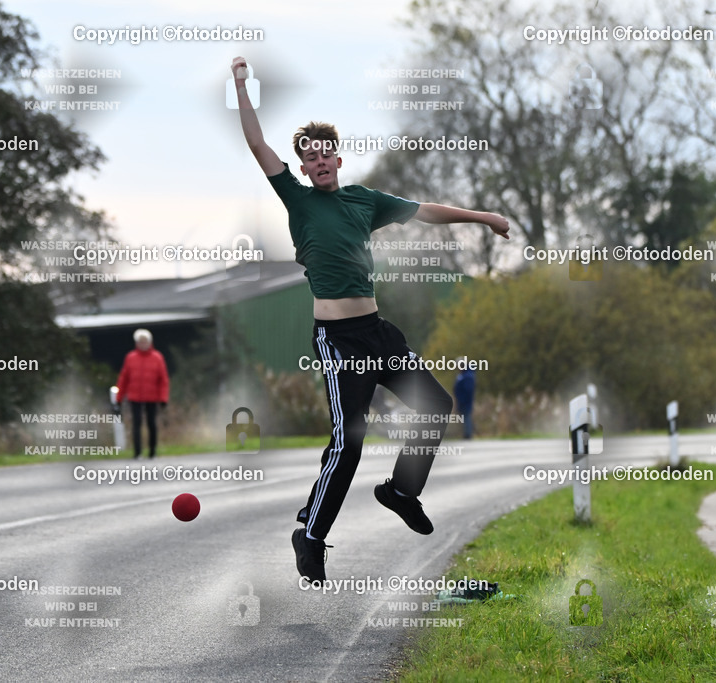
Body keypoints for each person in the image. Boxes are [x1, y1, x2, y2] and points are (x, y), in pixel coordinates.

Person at [231, 56, 511, 585]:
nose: (318, 164)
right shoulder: (297, 198)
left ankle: (401, 491)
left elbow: (425, 210)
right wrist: (242, 87)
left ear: (337, 157)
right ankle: (310, 536)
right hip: (338, 341)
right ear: (304, 166)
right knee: (349, 440)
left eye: (324, 155)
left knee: (437, 405)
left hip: (379, 332)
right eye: (308, 159)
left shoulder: (365, 201)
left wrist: (484, 217)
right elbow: (256, 144)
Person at [116, 329, 169, 459]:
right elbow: (124, 378)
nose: (143, 344)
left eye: (145, 342)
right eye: (140, 342)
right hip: (135, 397)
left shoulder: (157, 357)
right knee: (136, 423)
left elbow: (163, 380)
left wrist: (163, 398)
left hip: (152, 397)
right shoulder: (131, 357)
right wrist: (119, 397)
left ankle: (152, 451)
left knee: (151, 424)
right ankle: (137, 452)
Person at [454, 364, 476, 439]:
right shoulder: (463, 375)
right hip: (461, 401)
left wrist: (463, 400)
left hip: (465, 401)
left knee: (466, 417)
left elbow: (468, 390)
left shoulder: (467, 376)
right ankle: (466, 433)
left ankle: (468, 434)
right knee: (464, 417)